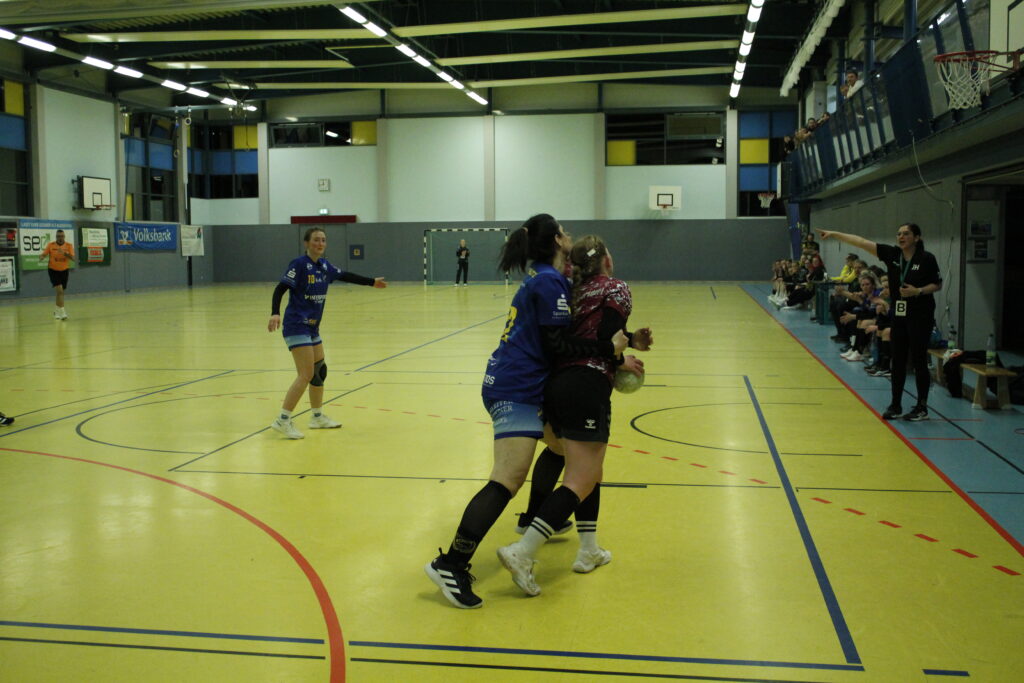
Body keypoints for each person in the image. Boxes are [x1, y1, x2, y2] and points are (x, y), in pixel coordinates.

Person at [424, 214, 628, 609]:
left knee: (564, 451)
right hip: (515, 387)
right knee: (507, 478)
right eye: (563, 232)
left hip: (523, 383)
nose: (569, 236)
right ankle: (451, 564)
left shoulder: (545, 277)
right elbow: (557, 345)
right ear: (556, 240)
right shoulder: (550, 282)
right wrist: (609, 350)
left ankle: (542, 522)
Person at [498, 235, 652, 596]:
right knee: (580, 478)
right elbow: (604, 338)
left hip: (555, 385)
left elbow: (582, 333)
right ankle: (523, 551)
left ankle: (589, 549)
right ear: (607, 261)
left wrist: (629, 339)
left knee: (588, 470)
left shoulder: (571, 290)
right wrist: (621, 357)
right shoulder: (616, 287)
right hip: (587, 385)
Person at [267, 227, 387, 439]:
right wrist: (275, 312)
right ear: (307, 243)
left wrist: (371, 282)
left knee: (319, 371)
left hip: (313, 327)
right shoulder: (299, 264)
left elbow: (345, 275)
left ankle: (317, 417)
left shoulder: (324, 266)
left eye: (323, 240)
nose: (320, 243)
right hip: (297, 324)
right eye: (316, 240)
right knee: (305, 374)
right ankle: (282, 420)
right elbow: (280, 288)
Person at [817, 224, 942, 421]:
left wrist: (917, 291)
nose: (901, 236)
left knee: (919, 360)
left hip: (920, 313)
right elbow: (861, 242)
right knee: (897, 359)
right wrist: (834, 234)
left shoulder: (926, 258)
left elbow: (937, 284)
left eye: (906, 234)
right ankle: (895, 405)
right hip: (899, 313)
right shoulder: (892, 254)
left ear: (916, 238)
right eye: (899, 234)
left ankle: (921, 407)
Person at [39, 229, 75, 320]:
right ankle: (63, 312)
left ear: (64, 237)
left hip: (64, 270)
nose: (60, 238)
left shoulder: (69, 245)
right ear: (56, 237)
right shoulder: (51, 245)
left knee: (60, 293)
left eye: (62, 236)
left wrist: (65, 253)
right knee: (60, 291)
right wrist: (42, 257)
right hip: (53, 270)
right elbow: (44, 254)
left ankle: (56, 311)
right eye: (58, 236)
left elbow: (73, 258)